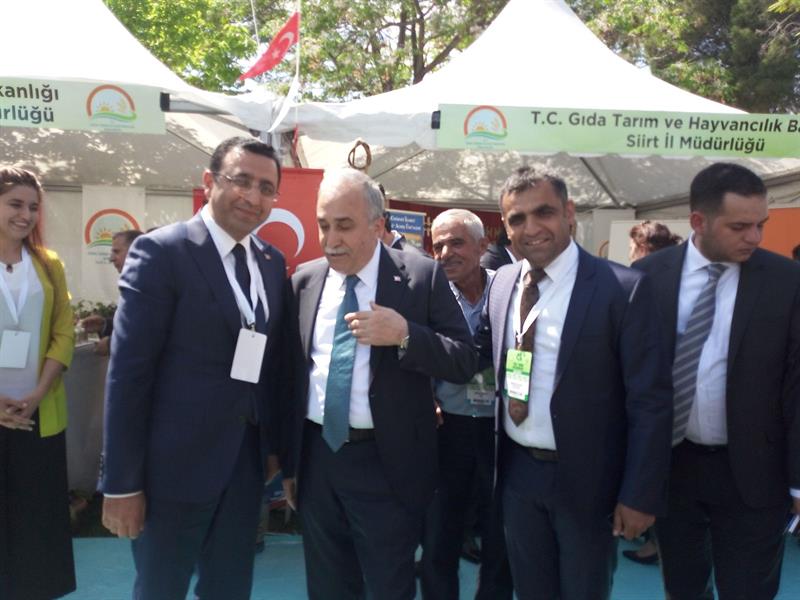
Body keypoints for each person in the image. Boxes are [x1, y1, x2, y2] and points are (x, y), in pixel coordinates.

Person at [100, 136, 295, 600]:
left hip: (243, 468)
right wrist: (121, 484)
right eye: (241, 181)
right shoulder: (161, 252)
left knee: (230, 589)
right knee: (161, 590)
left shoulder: (271, 263)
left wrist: (273, 447)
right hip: (171, 473)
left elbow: (271, 366)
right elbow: (129, 374)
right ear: (209, 182)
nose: (253, 197)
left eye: (266, 188)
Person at [474, 166, 673, 600]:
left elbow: (650, 403)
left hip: (588, 480)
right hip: (517, 474)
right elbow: (475, 355)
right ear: (505, 226)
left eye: (543, 212)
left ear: (569, 213)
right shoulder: (503, 282)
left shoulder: (623, 289)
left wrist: (640, 494)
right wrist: (408, 338)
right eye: (517, 219)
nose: (531, 228)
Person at [284, 168, 477, 600]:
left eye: (345, 225)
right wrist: (290, 463)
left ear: (377, 225)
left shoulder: (421, 277)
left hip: (387, 465)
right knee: (328, 587)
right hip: (318, 458)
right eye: (323, 225)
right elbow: (290, 376)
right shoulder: (304, 281)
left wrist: (406, 335)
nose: (331, 239)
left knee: (390, 585)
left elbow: (464, 359)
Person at [633, 163, 800, 600]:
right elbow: (632, 380)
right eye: (740, 227)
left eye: (761, 224)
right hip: (674, 468)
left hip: (755, 473)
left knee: (748, 591)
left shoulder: (787, 282)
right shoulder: (648, 278)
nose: (755, 237)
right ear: (698, 221)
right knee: (683, 588)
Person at [420, 209, 513, 600]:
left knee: (500, 534)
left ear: (481, 245)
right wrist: (425, 398)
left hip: (501, 430)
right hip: (447, 429)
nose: (446, 254)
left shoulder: (510, 291)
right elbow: (412, 354)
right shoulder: (427, 294)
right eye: (438, 245)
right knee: (439, 533)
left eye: (456, 243)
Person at [0, 167, 76, 599]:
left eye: (33, 206)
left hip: (39, 413)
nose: (26, 215)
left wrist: (39, 391)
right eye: (15, 203)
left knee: (37, 522)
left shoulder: (49, 264)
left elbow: (64, 332)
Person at [624, 219, 683, 566]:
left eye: (634, 247)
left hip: (655, 393)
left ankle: (654, 541)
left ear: (643, 247)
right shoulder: (676, 279)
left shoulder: (641, 281)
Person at [81, 229, 143, 355]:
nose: (111, 258)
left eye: (117, 252)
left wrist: (111, 344)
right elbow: (131, 324)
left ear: (135, 252)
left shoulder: (151, 287)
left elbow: (147, 330)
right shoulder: (133, 284)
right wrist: (104, 324)